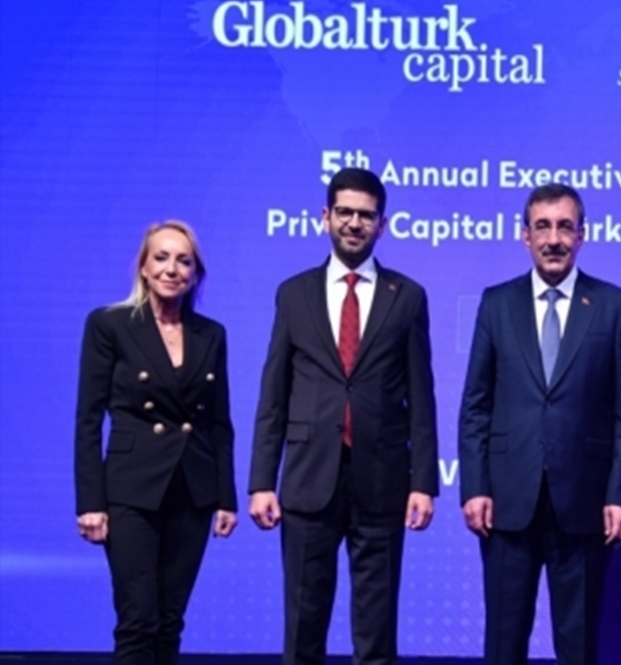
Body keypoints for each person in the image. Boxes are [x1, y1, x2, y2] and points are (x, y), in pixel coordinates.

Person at [247, 168, 438, 665]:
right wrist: (261, 481)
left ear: (382, 224)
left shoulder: (407, 296)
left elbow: (422, 398)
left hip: (382, 480)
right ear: (325, 217)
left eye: (366, 215)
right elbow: (274, 393)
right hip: (308, 479)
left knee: (376, 633)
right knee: (303, 629)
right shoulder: (294, 294)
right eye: (345, 212)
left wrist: (423, 483)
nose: (355, 223)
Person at [458, 183, 621, 665]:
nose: (554, 239)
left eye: (565, 227)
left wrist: (620, 495)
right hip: (506, 504)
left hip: (583, 503)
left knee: (578, 647)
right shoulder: (497, 303)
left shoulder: (612, 304)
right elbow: (476, 403)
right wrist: (474, 487)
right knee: (503, 645)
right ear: (525, 236)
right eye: (543, 227)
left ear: (582, 234)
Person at [74, 220, 238, 663]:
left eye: (184, 261)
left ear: (195, 274)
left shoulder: (211, 334)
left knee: (169, 622)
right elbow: (88, 420)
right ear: (143, 268)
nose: (172, 269)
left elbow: (219, 423)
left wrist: (225, 498)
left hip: (193, 490)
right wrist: (90, 503)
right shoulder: (110, 325)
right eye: (161, 258)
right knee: (137, 621)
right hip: (131, 491)